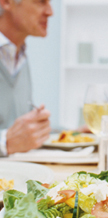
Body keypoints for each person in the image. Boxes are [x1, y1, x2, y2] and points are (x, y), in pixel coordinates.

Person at [0, 0, 53, 157]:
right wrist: (5, 142)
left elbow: (20, 131)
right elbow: (11, 138)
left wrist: (73, 135)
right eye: (41, 2)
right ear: (7, 2)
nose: (50, 12)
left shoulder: (20, 57)